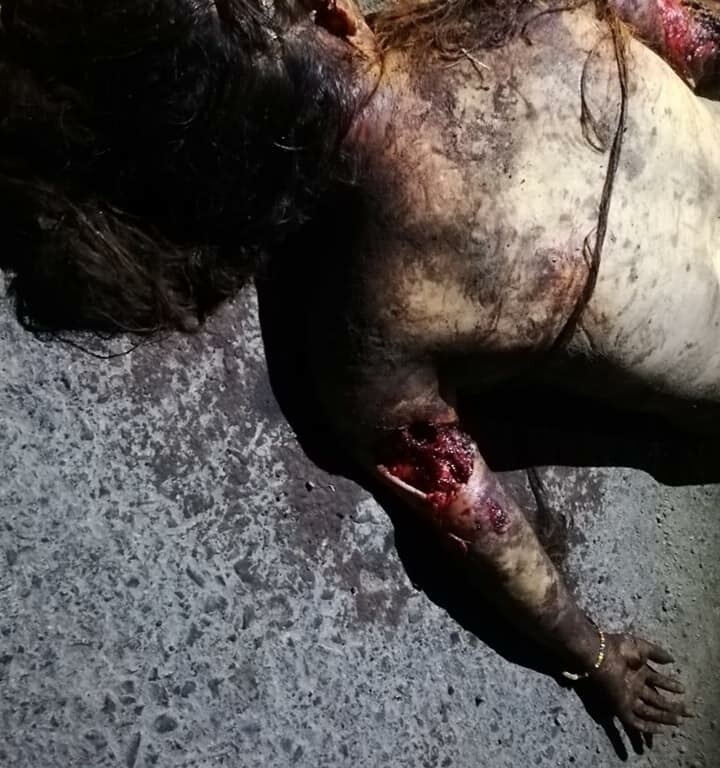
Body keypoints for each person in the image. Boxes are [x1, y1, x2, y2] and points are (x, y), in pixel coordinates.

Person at [3, 0, 717, 734]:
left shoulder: (366, 338)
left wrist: (593, 653)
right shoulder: (520, 13)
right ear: (337, 14)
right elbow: (693, 40)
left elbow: (484, 526)